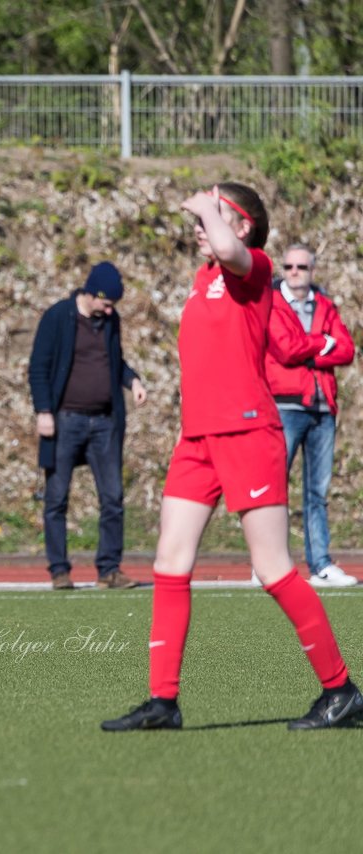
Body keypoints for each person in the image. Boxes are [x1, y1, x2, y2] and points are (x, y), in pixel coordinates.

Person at [103, 183, 363, 732]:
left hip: (248, 434)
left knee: (274, 570)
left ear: (241, 226)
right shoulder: (205, 279)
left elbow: (230, 251)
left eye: (215, 217)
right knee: (169, 565)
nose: (200, 226)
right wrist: (184, 429)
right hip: (197, 439)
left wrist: (203, 204)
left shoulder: (256, 268)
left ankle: (341, 691)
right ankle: (163, 702)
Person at [27, 262, 147, 591]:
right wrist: (44, 412)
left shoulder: (110, 321)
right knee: (56, 498)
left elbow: (115, 360)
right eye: (106, 303)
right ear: (91, 294)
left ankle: (109, 569)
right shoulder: (58, 317)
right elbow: (38, 367)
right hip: (65, 421)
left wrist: (132, 380)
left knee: (112, 497)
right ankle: (59, 570)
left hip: (105, 422)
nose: (109, 310)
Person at [264, 244, 358, 587]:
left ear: (311, 269)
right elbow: (284, 350)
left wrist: (312, 348)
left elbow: (346, 349)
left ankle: (320, 563)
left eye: (301, 266)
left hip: (322, 406)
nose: (294, 271)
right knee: (275, 488)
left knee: (317, 491)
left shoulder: (325, 305)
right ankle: (269, 564)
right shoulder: (272, 303)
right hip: (286, 405)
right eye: (288, 266)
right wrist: (323, 343)